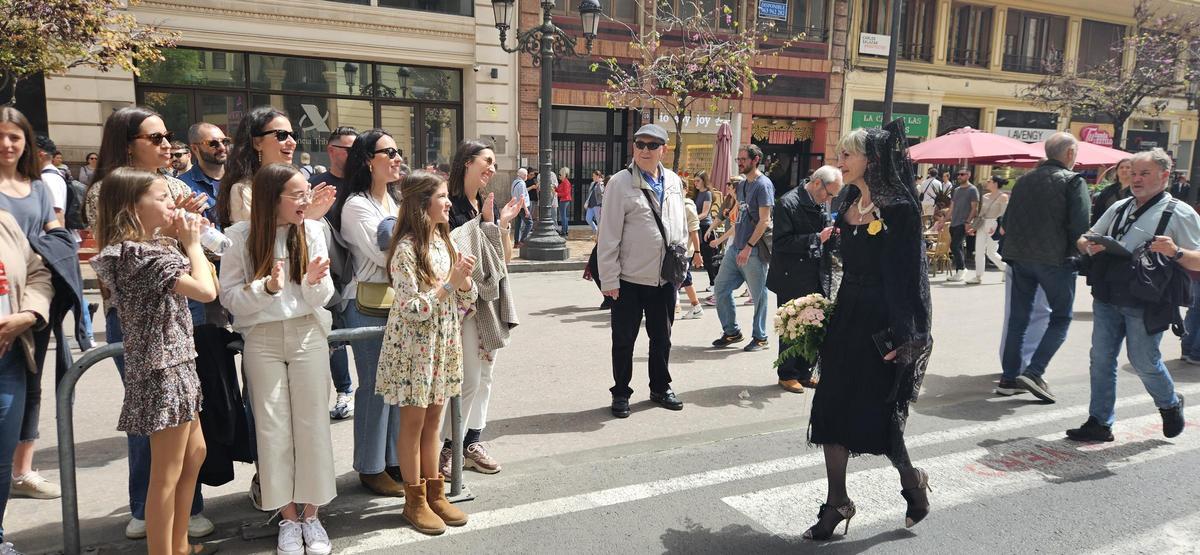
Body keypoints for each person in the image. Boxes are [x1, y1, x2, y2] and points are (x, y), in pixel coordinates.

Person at [84, 106, 214, 538]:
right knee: (167, 468)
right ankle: (164, 543)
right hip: (161, 365)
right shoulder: (140, 252)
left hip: (177, 357)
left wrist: (187, 239)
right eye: (162, 199)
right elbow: (206, 289)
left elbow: (204, 275)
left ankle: (177, 541)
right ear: (133, 206)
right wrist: (191, 242)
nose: (172, 202)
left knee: (193, 452)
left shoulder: (151, 244)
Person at [804, 123, 932, 541]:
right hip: (847, 316)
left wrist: (906, 336)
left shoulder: (900, 209)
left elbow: (911, 277)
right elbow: (841, 260)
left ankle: (912, 481)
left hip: (883, 321)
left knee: (879, 414)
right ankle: (837, 501)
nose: (840, 161)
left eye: (848, 154)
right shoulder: (847, 202)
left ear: (872, 160)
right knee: (830, 407)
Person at [219, 163, 336, 555]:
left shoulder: (315, 231)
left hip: (307, 332)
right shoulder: (239, 237)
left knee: (313, 424)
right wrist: (266, 288)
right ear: (273, 198)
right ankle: (288, 516)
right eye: (298, 195)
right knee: (272, 429)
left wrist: (315, 284)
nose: (307, 201)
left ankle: (313, 514)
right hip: (262, 339)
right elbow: (229, 298)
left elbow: (323, 297)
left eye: (307, 193)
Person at [1067, 148, 1196, 442]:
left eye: (1144, 173)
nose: (1136, 179)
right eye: (1133, 173)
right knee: (1100, 359)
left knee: (1143, 361)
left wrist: (1175, 251)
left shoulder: (1180, 212)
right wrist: (1088, 245)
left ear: (1165, 176)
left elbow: (1198, 257)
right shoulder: (1120, 206)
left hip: (1148, 298)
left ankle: (1170, 403)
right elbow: (1084, 237)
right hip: (1109, 292)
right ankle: (1099, 421)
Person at [377, 171, 476, 535]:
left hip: (442, 341)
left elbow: (465, 299)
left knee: (435, 421)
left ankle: (435, 494)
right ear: (422, 203)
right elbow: (411, 308)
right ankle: (414, 500)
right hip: (414, 347)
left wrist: (463, 281)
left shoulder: (443, 240)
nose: (449, 202)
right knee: (414, 423)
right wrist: (449, 284)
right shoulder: (405, 248)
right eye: (442, 196)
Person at [331, 129, 405, 497]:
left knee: (394, 386)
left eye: (397, 151)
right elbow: (384, 256)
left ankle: (391, 461)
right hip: (365, 303)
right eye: (387, 152)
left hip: (395, 301)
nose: (395, 158)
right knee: (375, 387)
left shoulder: (394, 201)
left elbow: (401, 248)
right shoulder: (356, 205)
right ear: (366, 160)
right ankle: (370, 466)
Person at [440, 140, 521, 476]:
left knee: (485, 376)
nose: (491, 169)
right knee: (468, 379)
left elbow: (505, 259)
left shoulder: (485, 204)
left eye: (494, 164)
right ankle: (448, 446)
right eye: (486, 161)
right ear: (466, 162)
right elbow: (446, 257)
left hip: (488, 301)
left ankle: (472, 441)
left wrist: (499, 224)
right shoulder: (450, 204)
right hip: (462, 305)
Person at [597, 124, 688, 418]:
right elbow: (608, 235)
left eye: (652, 145)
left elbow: (680, 226)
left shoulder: (674, 181)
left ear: (663, 149)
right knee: (624, 340)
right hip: (628, 280)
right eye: (640, 144)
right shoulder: (620, 183)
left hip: (664, 279)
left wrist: (682, 263)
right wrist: (609, 280)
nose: (645, 150)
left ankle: (660, 387)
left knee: (662, 337)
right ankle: (621, 392)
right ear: (634, 147)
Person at [999, 132, 1090, 402]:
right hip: (1055, 260)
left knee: (1018, 319)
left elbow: (1009, 220)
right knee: (1061, 317)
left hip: (1020, 258)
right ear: (1070, 154)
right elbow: (1080, 226)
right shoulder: (1073, 181)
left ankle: (1009, 377)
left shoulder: (1024, 181)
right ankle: (1035, 371)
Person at [0, 109, 54, 555]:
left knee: (24, 406)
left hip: (22, 324)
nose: (7, 145)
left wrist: (31, 313)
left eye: (14, 136)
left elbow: (44, 258)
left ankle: (22, 471)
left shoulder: (37, 190)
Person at [767, 165, 843, 393]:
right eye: (829, 194)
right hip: (792, 275)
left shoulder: (820, 202)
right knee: (791, 326)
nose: (829, 199)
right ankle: (787, 373)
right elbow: (780, 243)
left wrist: (831, 236)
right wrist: (816, 238)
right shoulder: (787, 203)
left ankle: (805, 371)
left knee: (814, 323)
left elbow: (822, 231)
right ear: (818, 183)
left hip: (816, 271)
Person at [309, 126, 359, 421]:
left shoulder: (362, 184)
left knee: (363, 335)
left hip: (361, 271)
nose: (354, 156)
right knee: (334, 336)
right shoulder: (315, 184)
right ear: (331, 150)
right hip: (328, 272)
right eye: (348, 150)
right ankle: (344, 390)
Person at [711, 144, 774, 352]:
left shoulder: (763, 185)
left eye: (743, 159)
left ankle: (760, 337)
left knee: (759, 296)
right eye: (738, 159)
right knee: (720, 289)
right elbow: (740, 215)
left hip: (752, 250)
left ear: (755, 160)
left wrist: (748, 247)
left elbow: (764, 221)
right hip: (735, 248)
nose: (739, 162)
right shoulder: (743, 185)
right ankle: (732, 331)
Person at [217, 106, 297, 227]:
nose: (292, 142)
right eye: (282, 135)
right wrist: (308, 216)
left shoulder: (297, 183)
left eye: (293, 135)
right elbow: (255, 241)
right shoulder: (243, 191)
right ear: (257, 142)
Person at [966, 175, 1009, 284]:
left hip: (994, 224)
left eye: (989, 181)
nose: (987, 183)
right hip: (983, 223)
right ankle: (978, 276)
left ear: (995, 183)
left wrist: (1000, 227)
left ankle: (1006, 269)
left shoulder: (1003, 196)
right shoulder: (985, 196)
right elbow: (981, 214)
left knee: (991, 252)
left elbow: (1004, 215)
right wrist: (974, 227)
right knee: (979, 251)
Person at [944, 169, 978, 282]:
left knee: (954, 246)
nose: (959, 176)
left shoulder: (972, 190)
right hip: (954, 223)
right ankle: (960, 271)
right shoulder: (957, 190)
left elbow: (974, 208)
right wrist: (943, 221)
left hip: (963, 223)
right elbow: (951, 208)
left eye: (962, 174)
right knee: (957, 247)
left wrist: (968, 222)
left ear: (968, 175)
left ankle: (962, 269)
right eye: (958, 174)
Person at [677, 194, 704, 320]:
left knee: (682, 278)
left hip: (684, 250)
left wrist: (698, 253)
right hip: (677, 249)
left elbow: (694, 231)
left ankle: (696, 306)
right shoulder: (673, 203)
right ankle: (695, 306)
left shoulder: (687, 207)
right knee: (683, 279)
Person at [692, 171, 717, 288]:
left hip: (705, 227)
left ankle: (714, 283)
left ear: (704, 181)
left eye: (698, 181)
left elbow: (705, 213)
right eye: (694, 181)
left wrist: (691, 219)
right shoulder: (696, 194)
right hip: (696, 226)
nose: (695, 183)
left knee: (708, 258)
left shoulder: (707, 193)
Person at [1091, 158, 1131, 226]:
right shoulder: (1107, 191)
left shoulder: (1138, 191)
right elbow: (1097, 213)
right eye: (1121, 167)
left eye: (1128, 167)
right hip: (1105, 229)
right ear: (1117, 171)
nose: (1124, 170)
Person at [510, 168, 530, 246]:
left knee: (518, 224)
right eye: (526, 174)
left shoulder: (515, 182)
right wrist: (526, 210)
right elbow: (522, 198)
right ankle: (522, 240)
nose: (527, 176)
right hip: (521, 207)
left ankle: (516, 242)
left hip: (516, 206)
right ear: (524, 175)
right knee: (529, 223)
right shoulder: (522, 184)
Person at [584, 169, 604, 235]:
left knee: (599, 221)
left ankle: (600, 234)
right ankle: (595, 229)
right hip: (591, 204)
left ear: (598, 176)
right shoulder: (592, 183)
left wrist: (599, 183)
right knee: (588, 219)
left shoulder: (601, 183)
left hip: (597, 204)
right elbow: (590, 193)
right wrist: (587, 201)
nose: (592, 177)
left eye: (594, 176)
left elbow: (601, 192)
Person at [556, 167, 572, 236]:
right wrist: (554, 188)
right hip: (564, 200)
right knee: (564, 216)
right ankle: (565, 230)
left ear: (563, 174)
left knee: (563, 217)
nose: (559, 176)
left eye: (560, 174)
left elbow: (565, 193)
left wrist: (557, 194)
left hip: (564, 200)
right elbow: (559, 190)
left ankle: (564, 231)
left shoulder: (565, 182)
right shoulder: (564, 182)